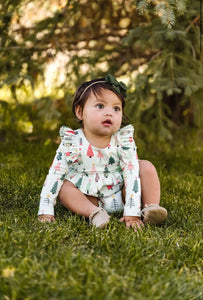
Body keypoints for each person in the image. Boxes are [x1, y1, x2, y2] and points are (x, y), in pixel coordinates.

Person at [38, 74, 167, 230]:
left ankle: (150, 209)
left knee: (146, 166)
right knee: (64, 187)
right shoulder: (72, 141)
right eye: (100, 106)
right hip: (90, 197)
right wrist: (45, 210)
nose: (109, 113)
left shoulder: (124, 140)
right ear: (80, 112)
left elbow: (132, 173)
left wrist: (132, 212)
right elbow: (55, 174)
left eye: (116, 108)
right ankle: (95, 214)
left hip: (121, 193)